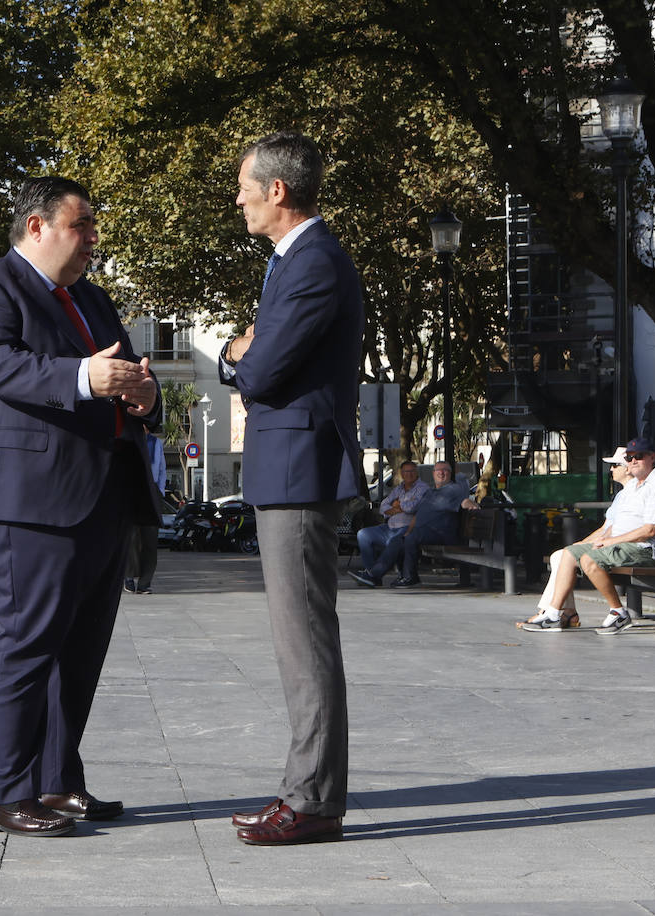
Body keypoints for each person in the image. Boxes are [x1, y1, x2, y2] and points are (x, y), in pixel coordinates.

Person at [0, 175, 163, 838]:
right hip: (26, 503)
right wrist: (84, 376)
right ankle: (7, 794)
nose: (94, 237)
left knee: (81, 650)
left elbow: (124, 372)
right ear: (36, 226)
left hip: (102, 496)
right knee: (27, 644)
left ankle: (59, 783)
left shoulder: (91, 299)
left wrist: (144, 396)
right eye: (82, 224)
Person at [218, 132, 363, 846]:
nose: (238, 196)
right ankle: (308, 792)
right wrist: (244, 346)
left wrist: (237, 351)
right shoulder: (294, 262)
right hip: (290, 468)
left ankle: (311, 802)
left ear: (277, 190)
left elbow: (262, 368)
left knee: (303, 641)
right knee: (299, 638)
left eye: (245, 184)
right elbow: (260, 354)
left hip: (301, 471)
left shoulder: (311, 263)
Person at [525, 437, 655, 635]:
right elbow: (613, 526)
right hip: (626, 545)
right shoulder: (636, 486)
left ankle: (618, 612)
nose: (632, 461)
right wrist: (601, 540)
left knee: (589, 560)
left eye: (638, 457)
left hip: (646, 549)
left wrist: (609, 541)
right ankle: (554, 614)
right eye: (629, 457)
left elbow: (649, 531)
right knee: (569, 553)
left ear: (652, 457)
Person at [517, 445, 635, 630]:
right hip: (610, 545)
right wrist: (582, 543)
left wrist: (590, 544)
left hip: (620, 548)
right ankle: (566, 611)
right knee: (563, 555)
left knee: (563, 556)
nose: (611, 469)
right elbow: (606, 527)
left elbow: (616, 531)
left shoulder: (634, 493)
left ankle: (551, 612)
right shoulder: (621, 495)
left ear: (627, 469)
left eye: (615, 465)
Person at [357, 460, 478, 588]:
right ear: (433, 473)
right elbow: (417, 514)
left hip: (440, 533)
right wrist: (409, 529)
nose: (442, 473)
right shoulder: (430, 492)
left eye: (446, 470)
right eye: (438, 470)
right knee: (398, 539)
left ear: (451, 473)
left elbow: (462, 495)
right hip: (423, 531)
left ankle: (402, 577)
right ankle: (379, 576)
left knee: (411, 537)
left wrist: (467, 502)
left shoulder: (452, 489)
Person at [350, 460, 429, 587]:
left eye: (412, 471)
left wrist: (397, 505)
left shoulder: (423, 488)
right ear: (401, 474)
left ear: (417, 472)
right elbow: (383, 507)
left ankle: (372, 575)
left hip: (407, 528)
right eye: (405, 471)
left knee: (394, 541)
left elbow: (412, 508)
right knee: (363, 534)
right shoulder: (398, 489)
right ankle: (371, 575)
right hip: (388, 528)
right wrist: (396, 507)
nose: (409, 474)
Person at [125, 432, 167, 595]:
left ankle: (144, 583)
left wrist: (160, 492)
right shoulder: (128, 439)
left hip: (152, 491)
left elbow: (162, 469)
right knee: (131, 538)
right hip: (131, 491)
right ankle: (128, 577)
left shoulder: (156, 443)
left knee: (150, 540)